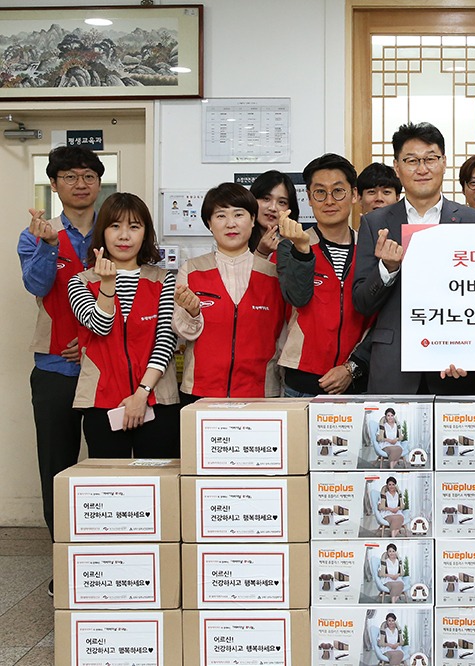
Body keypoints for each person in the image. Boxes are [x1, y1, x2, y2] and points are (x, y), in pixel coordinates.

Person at [353, 122, 475, 394]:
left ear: (444, 162)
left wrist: (469, 348)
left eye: (430, 159)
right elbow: (362, 303)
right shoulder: (374, 223)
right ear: (397, 167)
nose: (422, 169)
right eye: (412, 161)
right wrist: (387, 269)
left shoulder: (473, 220)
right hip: (395, 364)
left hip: (455, 362)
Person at [18, 146, 103, 550]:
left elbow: (136, 296)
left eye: (88, 175)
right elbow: (36, 285)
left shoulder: (117, 229)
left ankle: (103, 556)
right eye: (69, 176)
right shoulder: (36, 233)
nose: (80, 183)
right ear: (54, 184)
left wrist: (89, 343)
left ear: (98, 182)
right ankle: (63, 556)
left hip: (107, 368)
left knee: (108, 464)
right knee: (57, 466)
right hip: (55, 367)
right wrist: (50, 245)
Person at [68, 192, 179, 457]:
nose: (124, 236)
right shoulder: (81, 281)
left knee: (157, 479)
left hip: (157, 398)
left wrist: (141, 394)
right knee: (109, 479)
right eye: (115, 226)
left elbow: (166, 340)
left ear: (145, 233)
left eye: (134, 227)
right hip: (101, 401)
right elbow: (100, 326)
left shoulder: (164, 280)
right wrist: (107, 285)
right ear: (102, 232)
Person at [173, 183, 285, 400]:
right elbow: (183, 332)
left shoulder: (273, 274)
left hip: (260, 391)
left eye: (238, 214)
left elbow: (283, 338)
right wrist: (192, 312)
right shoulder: (192, 270)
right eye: (221, 216)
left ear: (253, 220)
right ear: (209, 223)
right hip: (201, 391)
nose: (230, 223)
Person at [276, 153, 372, 397]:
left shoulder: (369, 249)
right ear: (309, 198)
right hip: (302, 381)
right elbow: (297, 297)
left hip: (356, 379)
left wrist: (352, 368)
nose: (329, 200)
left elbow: (378, 319)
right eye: (320, 192)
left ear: (354, 195)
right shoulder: (289, 246)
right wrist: (302, 250)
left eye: (338, 191)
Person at [249, 170, 299, 258]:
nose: (272, 208)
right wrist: (261, 253)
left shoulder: (296, 245)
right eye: (266, 199)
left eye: (282, 202)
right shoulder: (237, 237)